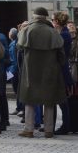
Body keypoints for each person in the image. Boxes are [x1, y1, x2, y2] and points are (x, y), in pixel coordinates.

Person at [16, 7, 66, 138]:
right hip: (50, 70)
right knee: (49, 100)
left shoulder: (27, 30)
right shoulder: (53, 32)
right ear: (45, 18)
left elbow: (19, 47)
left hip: (30, 70)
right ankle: (49, 130)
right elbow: (61, 54)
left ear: (34, 17)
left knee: (29, 99)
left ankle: (29, 129)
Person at [52, 11, 73, 134]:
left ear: (57, 21)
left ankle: (65, 126)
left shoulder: (64, 34)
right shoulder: (62, 32)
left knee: (62, 101)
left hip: (61, 70)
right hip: (61, 69)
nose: (52, 21)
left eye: (53, 19)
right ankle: (57, 124)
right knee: (60, 100)